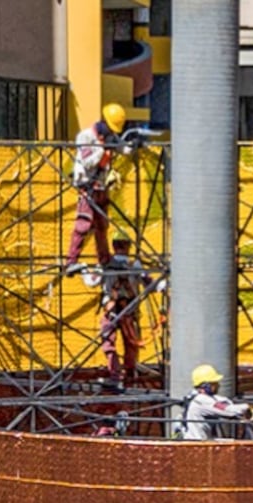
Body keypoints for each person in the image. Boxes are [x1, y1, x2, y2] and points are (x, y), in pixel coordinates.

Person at [65, 103, 130, 275]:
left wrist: (134, 144)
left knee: (101, 225)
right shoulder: (86, 137)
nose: (112, 133)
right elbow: (87, 162)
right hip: (88, 186)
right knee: (84, 223)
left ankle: (105, 259)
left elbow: (123, 148)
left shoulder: (110, 137)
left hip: (101, 186)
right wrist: (103, 150)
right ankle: (71, 261)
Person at [97, 235, 162, 390]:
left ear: (113, 246)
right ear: (129, 246)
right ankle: (129, 376)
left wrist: (83, 268)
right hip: (129, 312)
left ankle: (115, 375)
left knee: (108, 343)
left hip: (111, 311)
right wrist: (165, 284)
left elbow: (92, 281)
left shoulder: (105, 264)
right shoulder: (135, 264)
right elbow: (151, 284)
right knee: (131, 345)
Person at [182, 365, 253, 440]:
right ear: (206, 386)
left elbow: (221, 400)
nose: (218, 385)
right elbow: (228, 411)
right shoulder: (202, 400)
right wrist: (246, 407)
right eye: (214, 383)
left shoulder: (198, 396)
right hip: (197, 442)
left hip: (202, 439)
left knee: (231, 442)